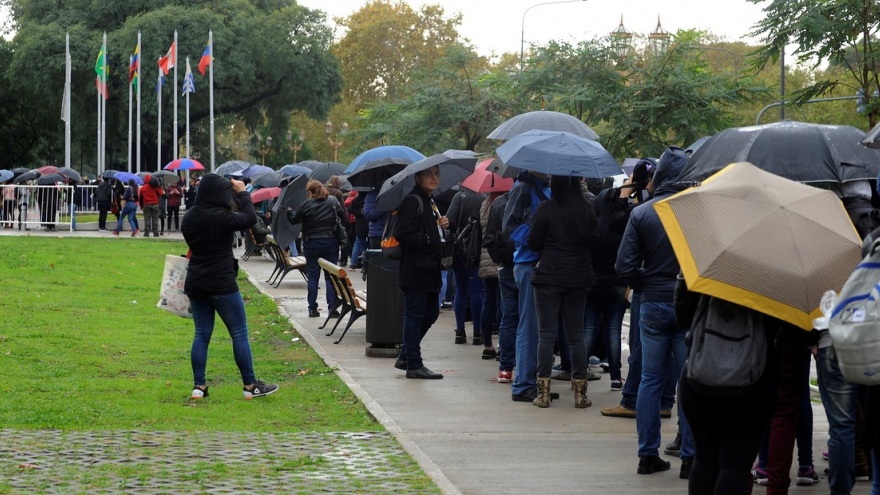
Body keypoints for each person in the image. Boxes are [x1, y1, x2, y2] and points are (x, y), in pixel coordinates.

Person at [616, 146, 695, 477]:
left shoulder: (641, 214)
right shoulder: (695, 213)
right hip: (688, 303)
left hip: (651, 302)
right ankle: (690, 457)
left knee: (650, 378)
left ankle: (647, 453)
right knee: (688, 381)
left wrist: (643, 281)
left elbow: (623, 266)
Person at [181, 173, 278, 400]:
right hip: (222, 282)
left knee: (202, 334)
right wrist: (243, 192)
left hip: (196, 281)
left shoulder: (190, 217)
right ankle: (250, 385)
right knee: (239, 333)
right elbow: (250, 218)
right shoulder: (223, 217)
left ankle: (199, 386)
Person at [527, 175, 597, 408]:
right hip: (578, 277)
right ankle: (580, 394)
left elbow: (534, 243)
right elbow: (592, 241)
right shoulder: (587, 210)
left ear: (555, 184)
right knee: (576, 336)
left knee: (546, 336)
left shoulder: (547, 208)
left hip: (549, 275)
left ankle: (543, 393)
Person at [391, 165, 448, 379]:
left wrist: (441, 225)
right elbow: (403, 234)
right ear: (417, 177)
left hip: (430, 268)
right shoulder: (413, 201)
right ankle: (414, 364)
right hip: (416, 269)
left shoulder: (429, 201)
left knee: (431, 313)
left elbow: (427, 228)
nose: (434, 178)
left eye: (436, 174)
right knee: (414, 315)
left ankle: (406, 354)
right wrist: (428, 238)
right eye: (428, 174)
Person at [503, 170, 550, 402]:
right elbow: (509, 226)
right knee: (528, 326)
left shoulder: (543, 187)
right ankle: (523, 384)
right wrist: (535, 239)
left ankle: (531, 382)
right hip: (529, 263)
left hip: (538, 263)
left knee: (537, 328)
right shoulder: (523, 188)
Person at [286, 180, 346, 318]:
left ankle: (312, 308)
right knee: (330, 276)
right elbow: (343, 217)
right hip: (330, 242)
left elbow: (295, 220)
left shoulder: (305, 205)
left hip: (311, 243)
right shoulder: (332, 201)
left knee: (313, 276)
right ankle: (332, 308)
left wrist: (289, 212)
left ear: (310, 192)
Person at [446, 188, 487, 345]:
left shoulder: (459, 197)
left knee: (461, 291)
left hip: (461, 251)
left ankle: (460, 331)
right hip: (478, 250)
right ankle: (478, 331)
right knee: (476, 291)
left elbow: (449, 221)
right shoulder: (484, 198)